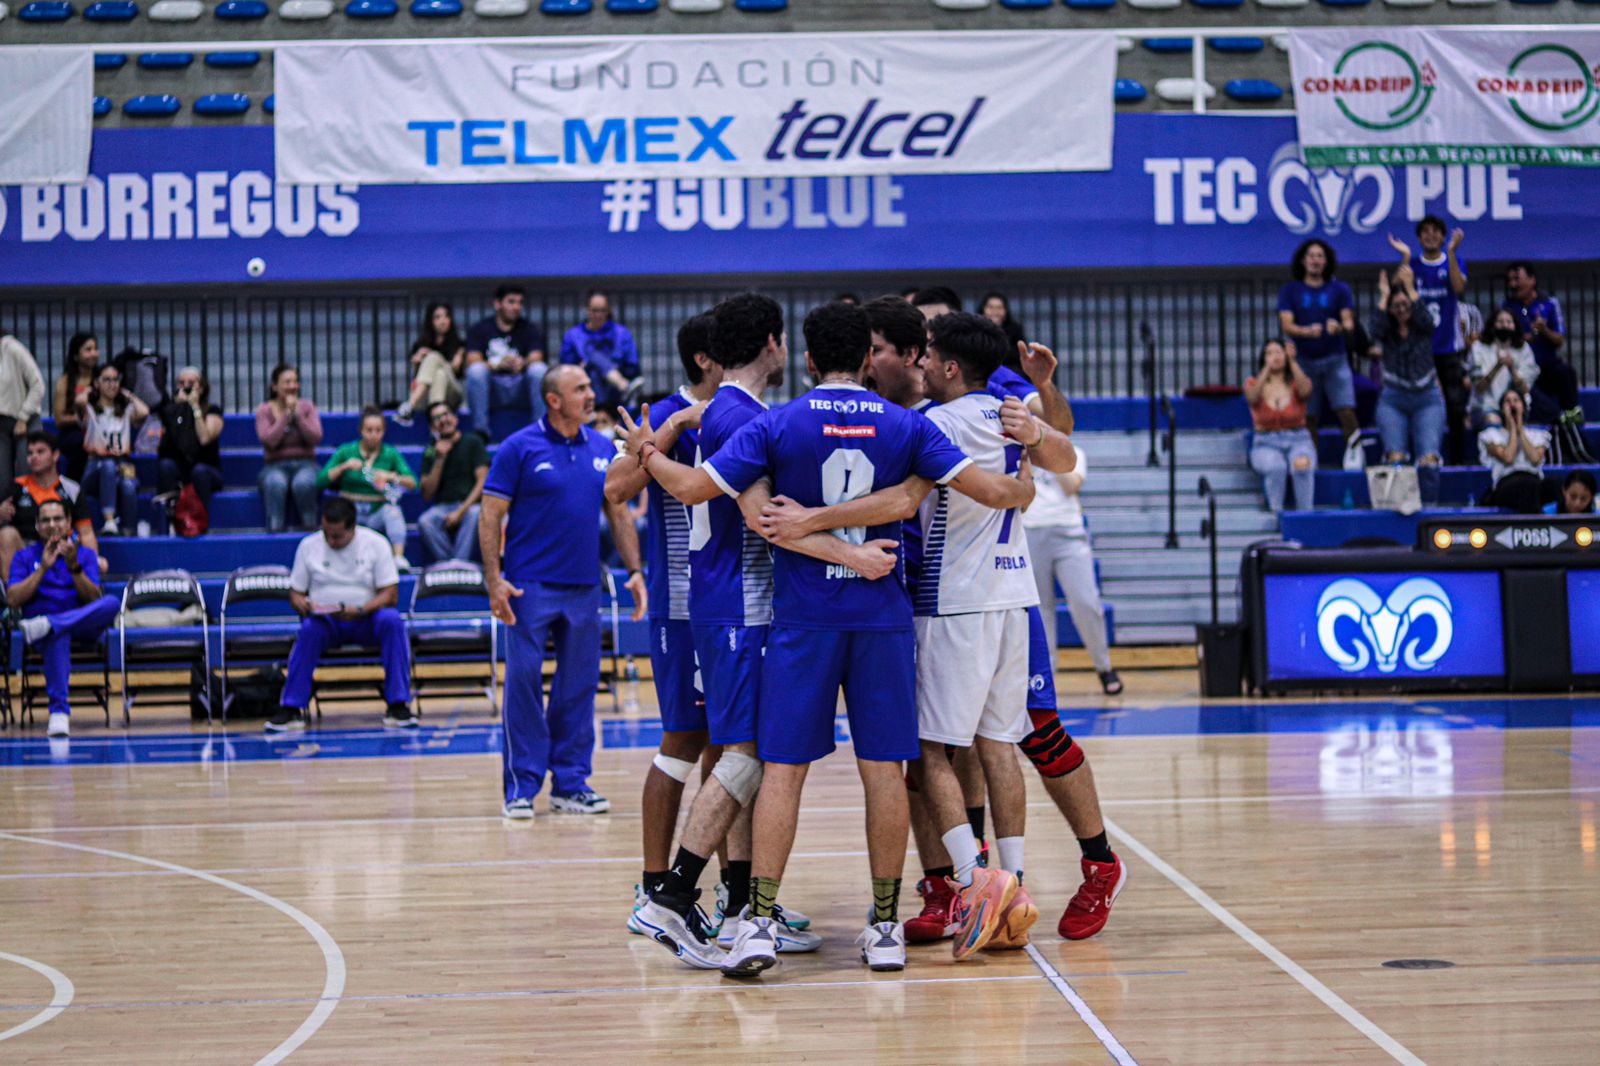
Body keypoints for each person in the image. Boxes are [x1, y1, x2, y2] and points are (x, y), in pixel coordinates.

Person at [627, 300, 1034, 975]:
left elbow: (697, 486)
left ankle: (755, 920)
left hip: (802, 619)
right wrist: (1024, 485)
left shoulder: (777, 423)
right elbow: (986, 491)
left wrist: (648, 447)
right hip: (880, 617)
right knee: (883, 772)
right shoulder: (907, 425)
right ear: (868, 360)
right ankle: (882, 926)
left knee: (781, 768)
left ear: (809, 358)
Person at [846, 295, 1127, 946]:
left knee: (1012, 737)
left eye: (923, 344)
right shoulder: (915, 402)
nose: (912, 356)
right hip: (974, 588)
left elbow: (1060, 453)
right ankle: (984, 887)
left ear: (940, 358)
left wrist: (1040, 403)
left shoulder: (973, 402)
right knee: (978, 743)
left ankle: (1082, 865)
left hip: (963, 596)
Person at [604, 312, 726, 938]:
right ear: (706, 358)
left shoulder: (740, 407)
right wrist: (672, 428)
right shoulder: (661, 412)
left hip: (729, 603)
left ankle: (733, 894)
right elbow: (616, 489)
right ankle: (654, 890)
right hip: (681, 606)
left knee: (727, 748)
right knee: (682, 740)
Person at [480, 365, 646, 819]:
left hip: (584, 587)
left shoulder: (601, 447)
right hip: (527, 587)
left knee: (577, 688)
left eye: (591, 386)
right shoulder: (518, 448)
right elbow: (490, 515)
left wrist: (635, 571)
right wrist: (494, 579)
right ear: (554, 400)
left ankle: (570, 783)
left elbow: (620, 515)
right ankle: (521, 786)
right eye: (581, 389)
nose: (592, 394)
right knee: (523, 685)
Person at [269, 497, 415, 732]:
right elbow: (295, 593)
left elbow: (390, 594)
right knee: (308, 630)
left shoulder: (376, 543)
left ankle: (398, 704)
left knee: (392, 621)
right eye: (327, 533)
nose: (331, 540)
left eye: (337, 536)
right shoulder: (309, 546)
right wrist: (303, 605)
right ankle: (291, 708)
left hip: (366, 618)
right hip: (326, 622)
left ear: (353, 528)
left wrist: (360, 610)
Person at [8, 498, 120, 738]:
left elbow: (92, 598)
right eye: (45, 520)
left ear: (68, 522)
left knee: (111, 603)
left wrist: (74, 566)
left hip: (80, 626)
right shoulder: (25, 557)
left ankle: (52, 624)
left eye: (58, 518)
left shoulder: (85, 555)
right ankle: (58, 712)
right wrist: (42, 569)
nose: (52, 525)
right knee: (58, 635)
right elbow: (13, 599)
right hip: (43, 633)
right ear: (37, 526)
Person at [1388, 218, 1469, 461]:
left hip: (1447, 346)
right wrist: (1403, 257)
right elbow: (1393, 293)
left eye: (1436, 231)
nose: (1431, 235)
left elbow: (1458, 288)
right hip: (1417, 349)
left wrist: (1452, 252)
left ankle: (1457, 459)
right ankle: (1416, 456)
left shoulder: (1454, 261)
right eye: (1425, 232)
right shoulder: (1412, 264)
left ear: (1443, 237)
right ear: (1420, 237)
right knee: (1413, 403)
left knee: (1455, 406)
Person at [1277, 239, 1361, 470]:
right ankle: (1311, 456)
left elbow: (1349, 321)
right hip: (1304, 361)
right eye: (1311, 256)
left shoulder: (1339, 289)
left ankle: (1355, 451)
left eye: (1320, 256)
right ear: (1303, 260)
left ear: (1327, 261)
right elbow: (1286, 325)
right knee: (1309, 415)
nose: (1315, 260)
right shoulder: (1291, 290)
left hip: (1335, 358)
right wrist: (1306, 331)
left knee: (1345, 407)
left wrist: (1339, 327)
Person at [1502, 262, 1595, 463]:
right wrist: (1525, 338)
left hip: (1547, 366)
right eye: (1510, 280)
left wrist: (1543, 331)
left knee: (1566, 372)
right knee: (1530, 393)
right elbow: (1502, 340)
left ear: (1532, 280)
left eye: (1517, 278)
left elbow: (1559, 340)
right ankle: (1559, 421)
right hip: (1522, 371)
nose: (1513, 283)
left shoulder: (1549, 303)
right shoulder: (1508, 307)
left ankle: (1572, 418)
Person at [1368, 266, 1446, 507]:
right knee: (1395, 458)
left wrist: (1411, 289)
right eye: (1396, 306)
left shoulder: (1422, 327)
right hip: (1394, 398)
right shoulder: (1387, 330)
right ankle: (1399, 508)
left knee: (1429, 459)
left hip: (1426, 397)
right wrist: (1383, 296)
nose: (1402, 310)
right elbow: (1374, 330)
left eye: (1405, 305)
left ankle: (1429, 510)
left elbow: (1429, 321)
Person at [318, 406, 416, 570]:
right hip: (351, 510)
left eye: (378, 430)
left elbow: (413, 483)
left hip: (377, 508)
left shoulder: (390, 453)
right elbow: (320, 482)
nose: (373, 435)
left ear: (384, 431)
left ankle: (398, 557)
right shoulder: (346, 451)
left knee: (393, 511)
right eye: (369, 430)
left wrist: (391, 476)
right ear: (361, 430)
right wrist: (344, 467)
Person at [464, 284, 547, 440]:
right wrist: (497, 364)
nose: (516, 307)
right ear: (497, 304)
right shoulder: (480, 329)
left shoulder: (530, 328)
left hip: (520, 388)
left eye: (520, 302)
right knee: (476, 372)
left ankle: (540, 431)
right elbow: (472, 360)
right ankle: (480, 432)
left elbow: (537, 356)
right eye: (511, 302)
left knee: (539, 370)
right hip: (493, 389)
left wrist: (523, 363)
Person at [1245, 339, 1317, 513]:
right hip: (1266, 441)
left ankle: (1304, 516)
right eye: (1269, 353)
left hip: (1298, 438)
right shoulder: (1253, 382)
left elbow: (1306, 391)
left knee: (1302, 465)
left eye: (1278, 352)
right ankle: (1276, 515)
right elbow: (1253, 398)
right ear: (1263, 358)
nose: (1275, 357)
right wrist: (1266, 370)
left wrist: (1292, 362)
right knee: (1275, 467)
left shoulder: (1295, 381)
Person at [79, 362, 148, 536]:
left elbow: (144, 411)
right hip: (95, 467)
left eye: (115, 380)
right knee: (108, 465)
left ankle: (128, 533)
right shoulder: (90, 409)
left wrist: (127, 394)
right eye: (107, 380)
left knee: (128, 486)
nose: (112, 384)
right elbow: (78, 400)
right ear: (97, 382)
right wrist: (92, 390)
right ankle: (109, 521)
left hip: (123, 465)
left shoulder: (124, 410)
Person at [417, 401, 489, 562]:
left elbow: (483, 482)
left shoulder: (473, 442)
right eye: (437, 418)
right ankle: (449, 563)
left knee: (475, 514)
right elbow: (427, 494)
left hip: (470, 505)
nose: (443, 420)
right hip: (443, 508)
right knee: (425, 521)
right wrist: (439, 460)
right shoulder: (430, 452)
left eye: (446, 414)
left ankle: (458, 563)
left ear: (455, 419)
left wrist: (460, 512)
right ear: (432, 427)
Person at [256, 364, 324, 533]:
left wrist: (298, 416)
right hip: (274, 466)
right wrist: (286, 415)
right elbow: (269, 441)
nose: (292, 386)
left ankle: (310, 530)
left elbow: (315, 437)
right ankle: (275, 531)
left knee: (304, 483)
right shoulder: (264, 410)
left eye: (295, 381)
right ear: (274, 386)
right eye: (287, 382)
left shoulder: (307, 407)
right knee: (275, 483)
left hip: (306, 464)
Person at [155, 366, 224, 519]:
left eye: (191, 382)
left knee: (199, 471)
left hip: (206, 469)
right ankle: (167, 519)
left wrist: (194, 407)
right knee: (166, 466)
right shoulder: (171, 410)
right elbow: (164, 447)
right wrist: (177, 409)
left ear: (202, 386)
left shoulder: (212, 410)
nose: (186, 386)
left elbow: (204, 438)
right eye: (181, 383)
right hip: (181, 467)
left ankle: (199, 520)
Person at [560, 290, 641, 412]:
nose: (598, 315)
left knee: (595, 360)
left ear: (609, 311)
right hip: (585, 386)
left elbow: (633, 366)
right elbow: (566, 367)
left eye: (602, 311)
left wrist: (613, 369)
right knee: (593, 359)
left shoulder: (622, 333)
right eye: (594, 310)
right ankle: (623, 385)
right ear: (587, 310)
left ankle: (605, 407)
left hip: (613, 391)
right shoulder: (573, 335)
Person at [393, 303, 466, 427]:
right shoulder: (420, 344)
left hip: (452, 394)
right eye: (437, 317)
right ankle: (437, 419)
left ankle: (409, 406)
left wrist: (454, 358)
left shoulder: (459, 344)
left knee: (434, 359)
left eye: (446, 317)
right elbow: (418, 380)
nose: (442, 321)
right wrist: (417, 363)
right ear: (430, 321)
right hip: (425, 398)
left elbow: (456, 371)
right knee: (439, 375)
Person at [1478, 389, 1549, 514]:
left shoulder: (1537, 435)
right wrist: (1512, 428)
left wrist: (1520, 429)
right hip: (1506, 483)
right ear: (1501, 409)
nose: (1512, 404)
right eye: (1508, 401)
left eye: (1516, 400)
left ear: (1523, 406)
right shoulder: (1491, 435)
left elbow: (1535, 459)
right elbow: (1508, 458)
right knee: (1526, 486)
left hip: (1534, 480)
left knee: (1554, 484)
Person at [1468, 309, 1539, 431]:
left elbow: (1525, 389)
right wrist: (1497, 366)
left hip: (1515, 408)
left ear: (1515, 326)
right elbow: (1479, 387)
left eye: (1509, 322)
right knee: (1495, 424)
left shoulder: (1524, 349)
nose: (1505, 325)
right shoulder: (1478, 348)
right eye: (1500, 322)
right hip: (1485, 407)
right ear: (1492, 326)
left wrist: (1512, 369)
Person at [0, 332, 46, 491]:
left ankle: (31, 516)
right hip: (2, 425)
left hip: (25, 422)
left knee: (27, 477)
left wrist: (23, 417)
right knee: (3, 483)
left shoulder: (13, 349)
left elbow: (38, 385)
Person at [52, 332, 99, 482]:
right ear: (76, 356)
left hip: (100, 431)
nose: (94, 353)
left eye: (95, 349)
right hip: (73, 433)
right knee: (80, 445)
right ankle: (71, 489)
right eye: (88, 349)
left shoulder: (101, 379)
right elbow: (59, 419)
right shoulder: (64, 382)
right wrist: (83, 419)